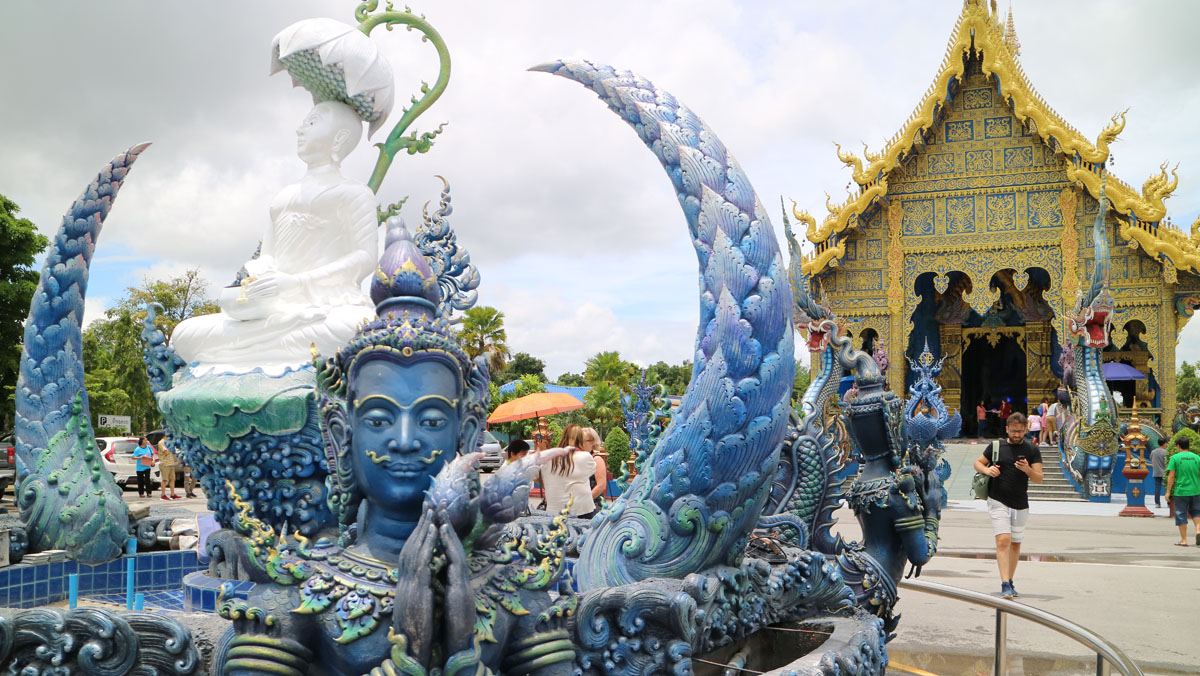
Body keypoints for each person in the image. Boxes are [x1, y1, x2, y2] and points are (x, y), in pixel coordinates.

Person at [170, 100, 378, 373]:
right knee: (185, 334)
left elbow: (364, 258)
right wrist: (262, 270)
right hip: (274, 310)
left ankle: (245, 354)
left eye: (312, 123)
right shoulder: (283, 196)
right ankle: (260, 351)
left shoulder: (355, 193)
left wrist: (297, 282)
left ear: (339, 137)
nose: (300, 130)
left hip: (324, 305)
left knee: (357, 326)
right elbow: (268, 254)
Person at [973, 412, 1043, 599]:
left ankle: (1010, 580)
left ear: (1026, 430)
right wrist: (988, 469)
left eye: (1020, 431)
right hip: (997, 499)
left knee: (1015, 544)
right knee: (1003, 540)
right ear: (1007, 429)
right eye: (1013, 431)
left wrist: (1027, 469)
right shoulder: (996, 446)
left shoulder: (1032, 450)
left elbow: (1039, 478)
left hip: (1021, 502)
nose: (1017, 435)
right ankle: (1004, 583)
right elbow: (978, 463)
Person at [541, 424, 597, 517]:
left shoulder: (549, 457)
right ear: (581, 439)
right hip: (580, 509)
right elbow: (591, 471)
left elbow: (541, 478)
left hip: (554, 510)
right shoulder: (585, 457)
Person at [1165, 437, 1200, 546]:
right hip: (1196, 490)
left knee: (1181, 514)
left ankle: (1184, 540)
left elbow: (1171, 476)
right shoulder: (1197, 458)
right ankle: (1198, 531)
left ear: (1178, 446)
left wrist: (1168, 492)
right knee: (1197, 512)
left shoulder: (1175, 458)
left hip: (1181, 491)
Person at [584, 427, 609, 503]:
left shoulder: (596, 460)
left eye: (583, 441)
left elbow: (601, 486)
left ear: (592, 442)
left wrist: (584, 501)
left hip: (593, 503)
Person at [1150, 438, 1168, 509]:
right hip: (1164, 472)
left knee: (1157, 488)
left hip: (1156, 472)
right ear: (1164, 444)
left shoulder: (1153, 452)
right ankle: (1169, 503)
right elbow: (1166, 463)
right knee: (1167, 488)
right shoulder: (1165, 452)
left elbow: (1152, 461)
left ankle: (1157, 503)